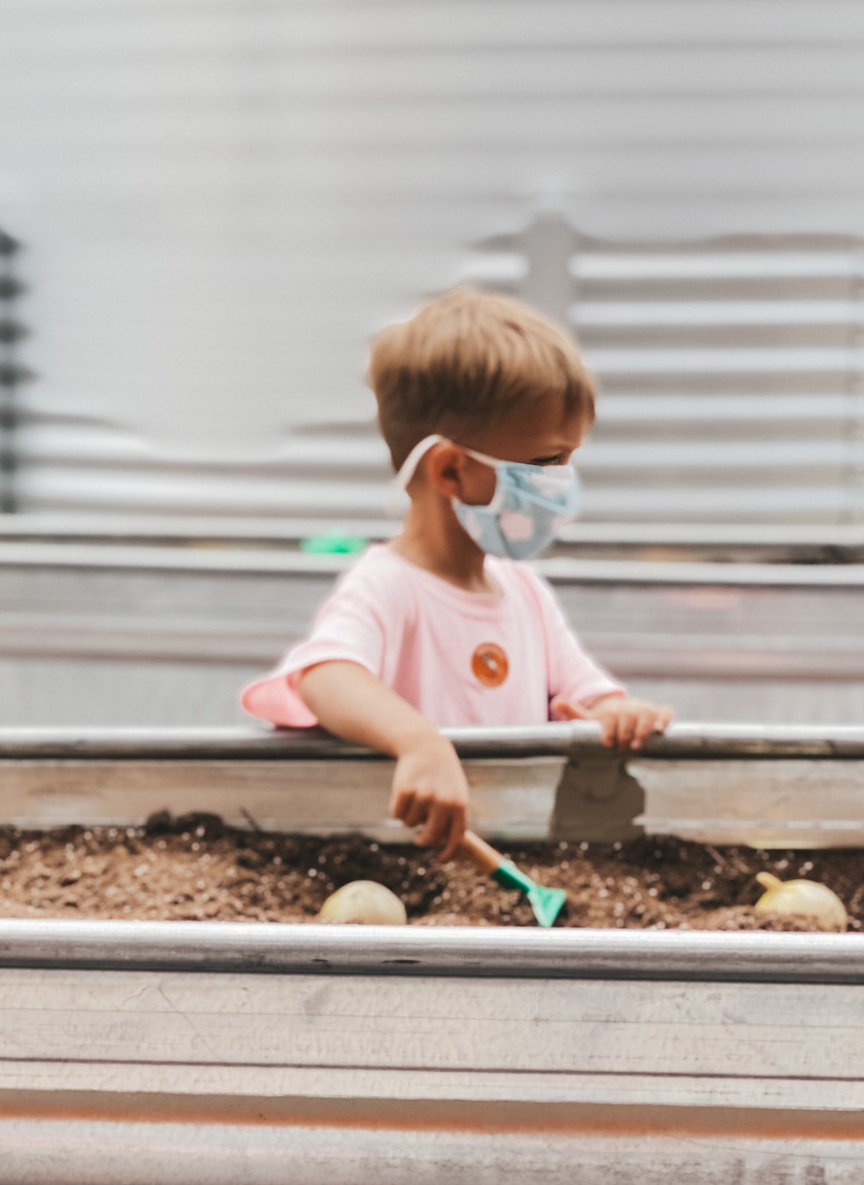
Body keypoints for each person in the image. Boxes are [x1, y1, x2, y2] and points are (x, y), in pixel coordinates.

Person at [241, 287, 672, 857]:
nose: (561, 484)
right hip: (409, 863)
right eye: (545, 463)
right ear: (449, 471)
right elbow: (324, 675)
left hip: (514, 857)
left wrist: (617, 715)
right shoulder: (388, 587)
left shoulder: (526, 593)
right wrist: (420, 744)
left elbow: (587, 693)